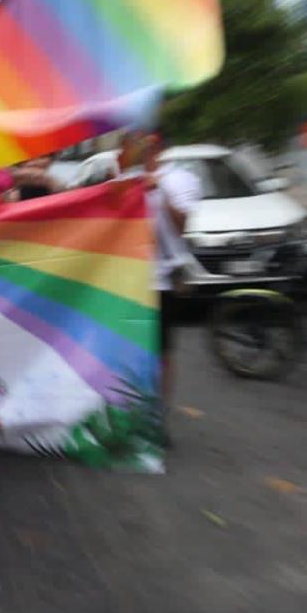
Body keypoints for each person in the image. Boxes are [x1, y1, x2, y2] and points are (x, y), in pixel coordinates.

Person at [113, 131, 201, 445]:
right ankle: (126, 413)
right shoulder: (124, 179)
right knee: (127, 350)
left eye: (134, 147)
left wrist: (158, 189)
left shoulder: (181, 179)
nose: (128, 153)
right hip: (123, 278)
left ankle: (156, 420)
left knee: (161, 353)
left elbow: (181, 226)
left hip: (161, 280)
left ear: (155, 148)